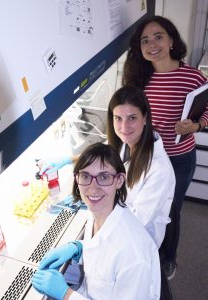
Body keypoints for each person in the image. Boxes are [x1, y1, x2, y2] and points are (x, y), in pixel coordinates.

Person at [122, 15, 208, 279]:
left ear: (172, 40)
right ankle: (143, 250)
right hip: (145, 157)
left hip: (179, 159)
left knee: (170, 210)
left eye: (158, 36)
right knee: (140, 205)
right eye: (145, 40)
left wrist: (196, 126)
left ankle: (168, 257)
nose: (152, 44)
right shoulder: (138, 79)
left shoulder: (193, 77)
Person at [31, 142, 161, 300]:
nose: (93, 188)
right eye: (85, 176)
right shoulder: (97, 212)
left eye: (104, 177)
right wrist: (79, 247)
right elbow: (103, 248)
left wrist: (66, 295)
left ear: (119, 180)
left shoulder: (135, 257)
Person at [107, 86, 175, 249]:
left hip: (137, 242)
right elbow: (102, 156)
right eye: (118, 118)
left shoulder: (159, 169)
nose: (124, 127)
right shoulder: (125, 144)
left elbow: (137, 221)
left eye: (132, 118)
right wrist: (69, 160)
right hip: (117, 226)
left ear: (145, 118)